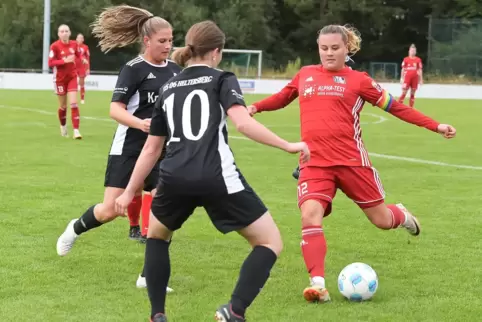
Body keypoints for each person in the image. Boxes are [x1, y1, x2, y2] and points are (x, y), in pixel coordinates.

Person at [114, 20, 310, 322]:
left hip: (173, 176)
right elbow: (243, 123)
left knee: (156, 238)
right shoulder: (222, 78)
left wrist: (129, 192)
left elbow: (152, 149)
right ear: (216, 52)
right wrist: (287, 145)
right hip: (216, 176)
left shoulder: (167, 87)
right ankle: (234, 310)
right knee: (270, 242)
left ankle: (157, 315)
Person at [248, 24, 456, 303]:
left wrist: (436, 125)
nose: (329, 53)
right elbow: (282, 98)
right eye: (324, 48)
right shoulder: (305, 75)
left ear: (347, 49)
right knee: (310, 215)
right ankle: (318, 285)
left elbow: (397, 107)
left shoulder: (359, 80)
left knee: (381, 220)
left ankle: (403, 216)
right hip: (315, 162)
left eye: (335, 48)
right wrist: (256, 107)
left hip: (352, 163)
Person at [56, 6, 181, 293]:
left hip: (162, 149)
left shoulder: (175, 71)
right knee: (111, 210)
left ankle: (148, 275)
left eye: (171, 40)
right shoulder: (133, 69)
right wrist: (140, 123)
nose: (168, 45)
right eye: (162, 40)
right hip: (128, 145)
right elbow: (115, 109)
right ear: (146, 41)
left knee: (164, 206)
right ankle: (75, 228)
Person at [48, 24, 86, 139]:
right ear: (59, 34)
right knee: (63, 106)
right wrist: (64, 61)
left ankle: (76, 131)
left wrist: (82, 59)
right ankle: (63, 126)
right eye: (62, 31)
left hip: (72, 77)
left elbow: (78, 54)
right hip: (59, 79)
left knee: (73, 103)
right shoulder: (54, 46)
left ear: (69, 33)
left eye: (66, 31)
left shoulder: (74, 44)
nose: (64, 33)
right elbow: (50, 63)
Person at [75, 33, 90, 104]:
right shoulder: (73, 46)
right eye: (78, 38)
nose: (80, 39)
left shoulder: (85, 47)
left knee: (81, 83)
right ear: (76, 39)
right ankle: (73, 98)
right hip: (74, 67)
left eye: (81, 38)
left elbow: (87, 58)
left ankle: (82, 98)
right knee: (73, 82)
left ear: (83, 39)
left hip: (82, 67)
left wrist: (88, 68)